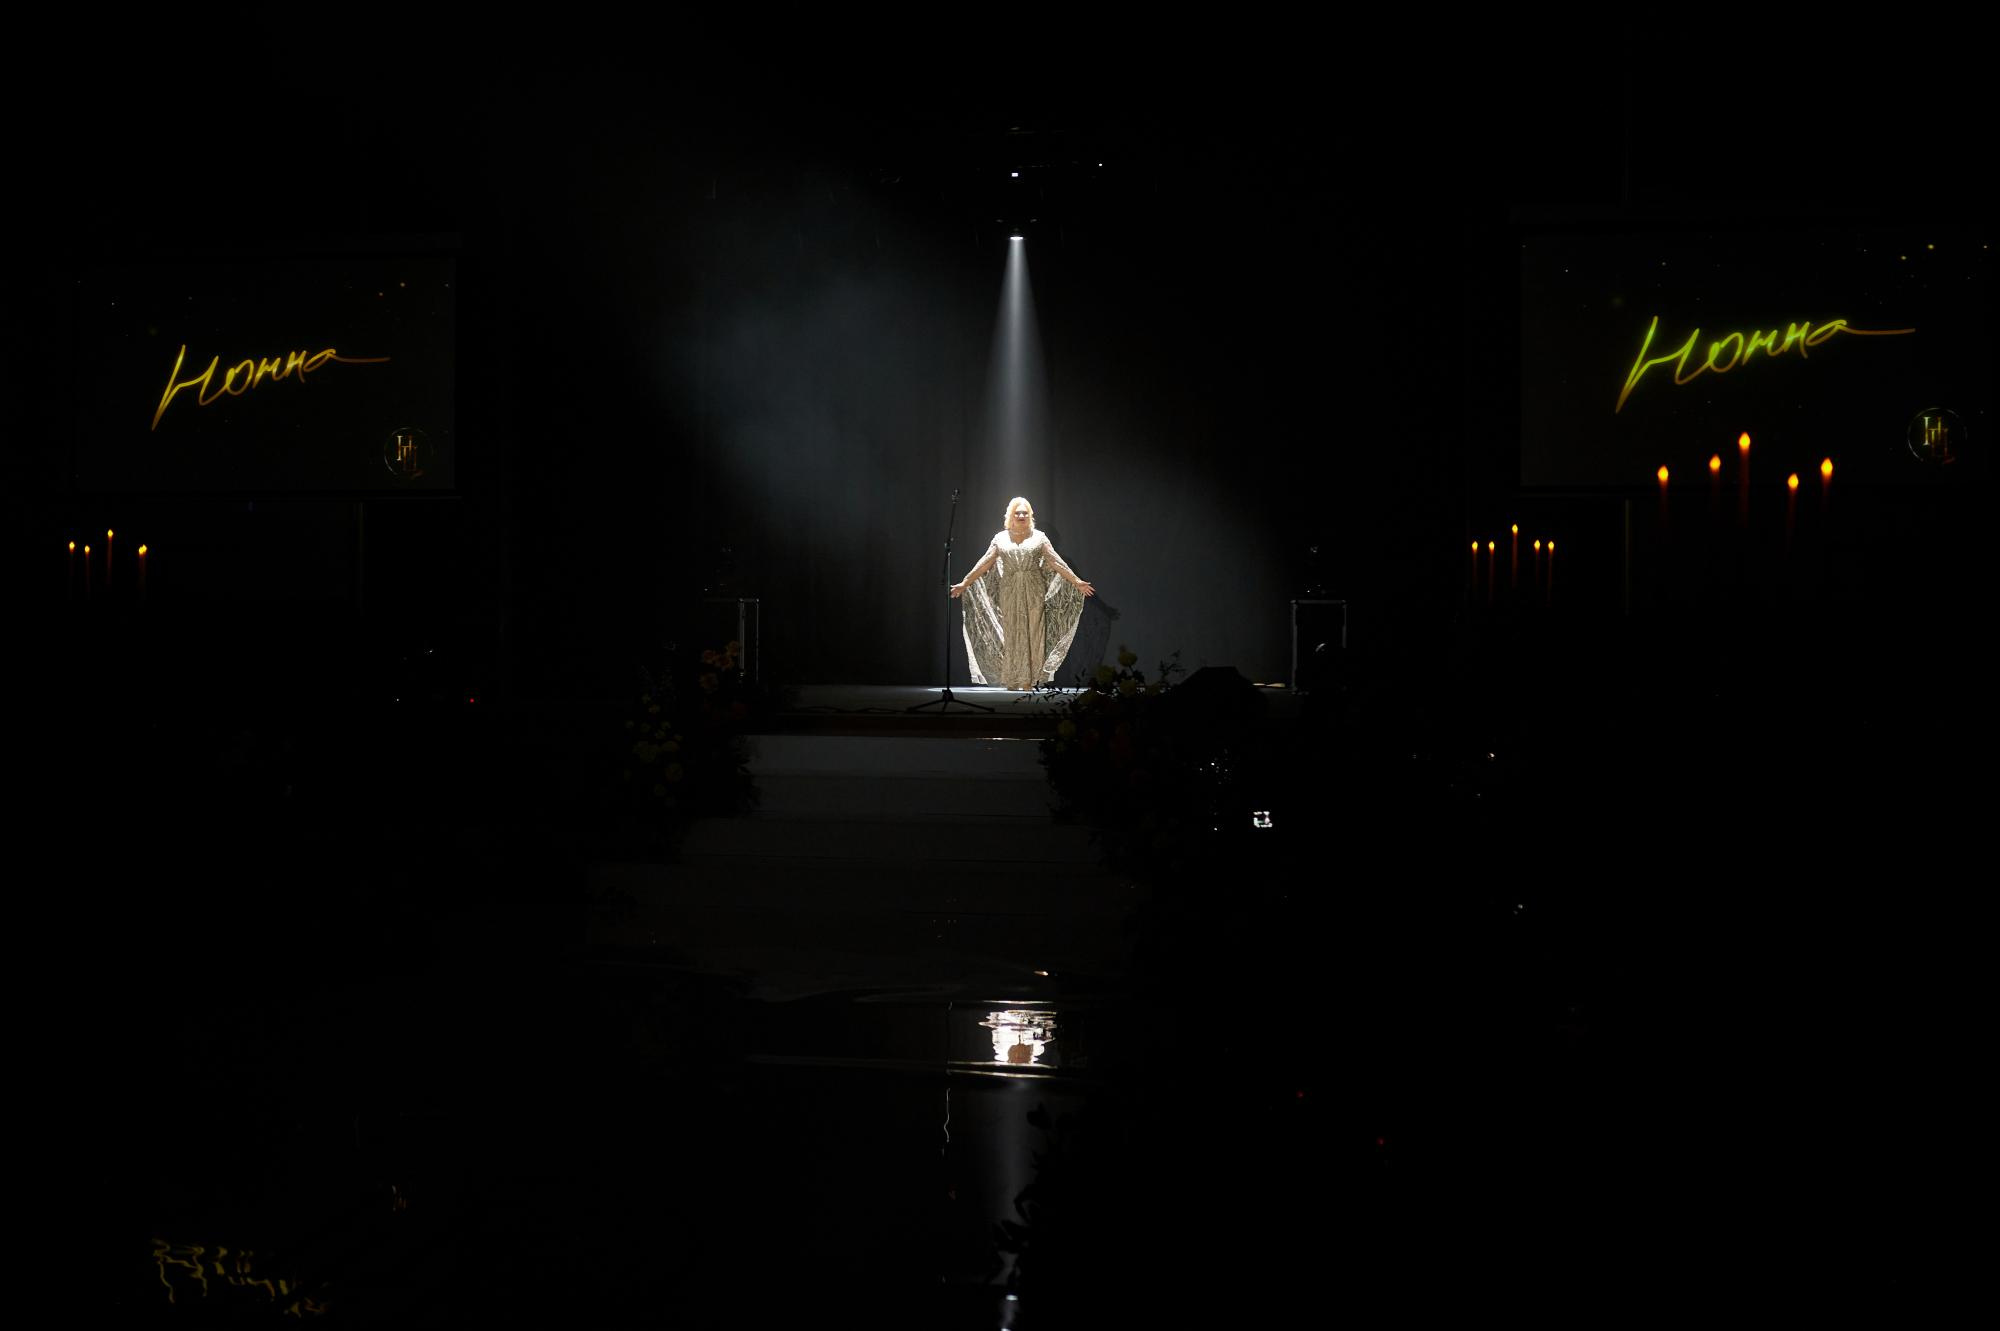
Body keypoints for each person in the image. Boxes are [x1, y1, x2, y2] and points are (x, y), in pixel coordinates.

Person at [949, 497, 1095, 690]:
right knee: (1013, 633)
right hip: (1009, 590)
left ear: (1030, 515)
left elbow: (1055, 562)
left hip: (1034, 589)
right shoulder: (1000, 538)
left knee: (1033, 632)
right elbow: (984, 562)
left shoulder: (1039, 537)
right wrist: (965, 583)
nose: (1021, 515)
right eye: (1017, 512)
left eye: (1025, 512)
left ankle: (1030, 680)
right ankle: (1013, 679)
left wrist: (1076, 582)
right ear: (1011, 515)